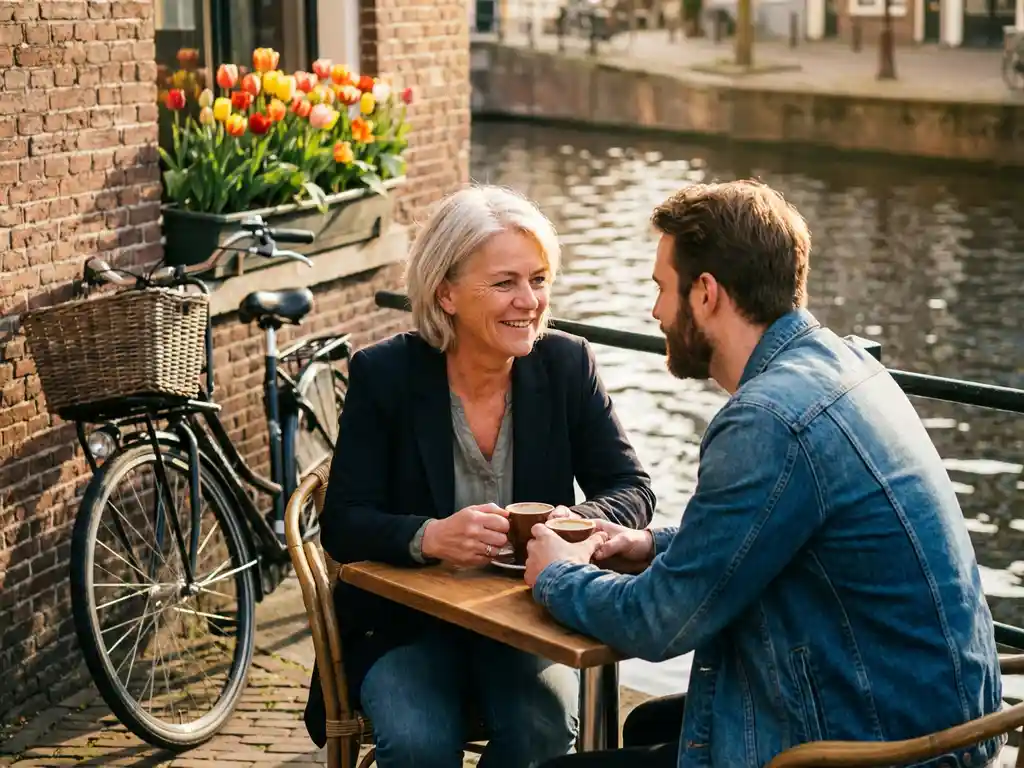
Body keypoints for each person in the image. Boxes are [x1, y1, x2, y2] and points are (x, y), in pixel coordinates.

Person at [525, 180, 1003, 768]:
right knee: (650, 720)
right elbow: (783, 527)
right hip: (937, 714)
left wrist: (556, 575)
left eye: (660, 289)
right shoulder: (842, 362)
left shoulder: (767, 419)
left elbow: (657, 623)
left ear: (705, 293)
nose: (653, 312)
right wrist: (650, 543)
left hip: (877, 746)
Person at [303, 184, 657, 767]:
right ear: (446, 293)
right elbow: (343, 522)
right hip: (405, 627)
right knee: (419, 743)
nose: (529, 301)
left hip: (530, 620)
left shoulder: (567, 365)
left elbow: (632, 490)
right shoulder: (384, 374)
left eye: (538, 280)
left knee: (542, 733)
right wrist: (428, 536)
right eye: (505, 283)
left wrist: (574, 523)